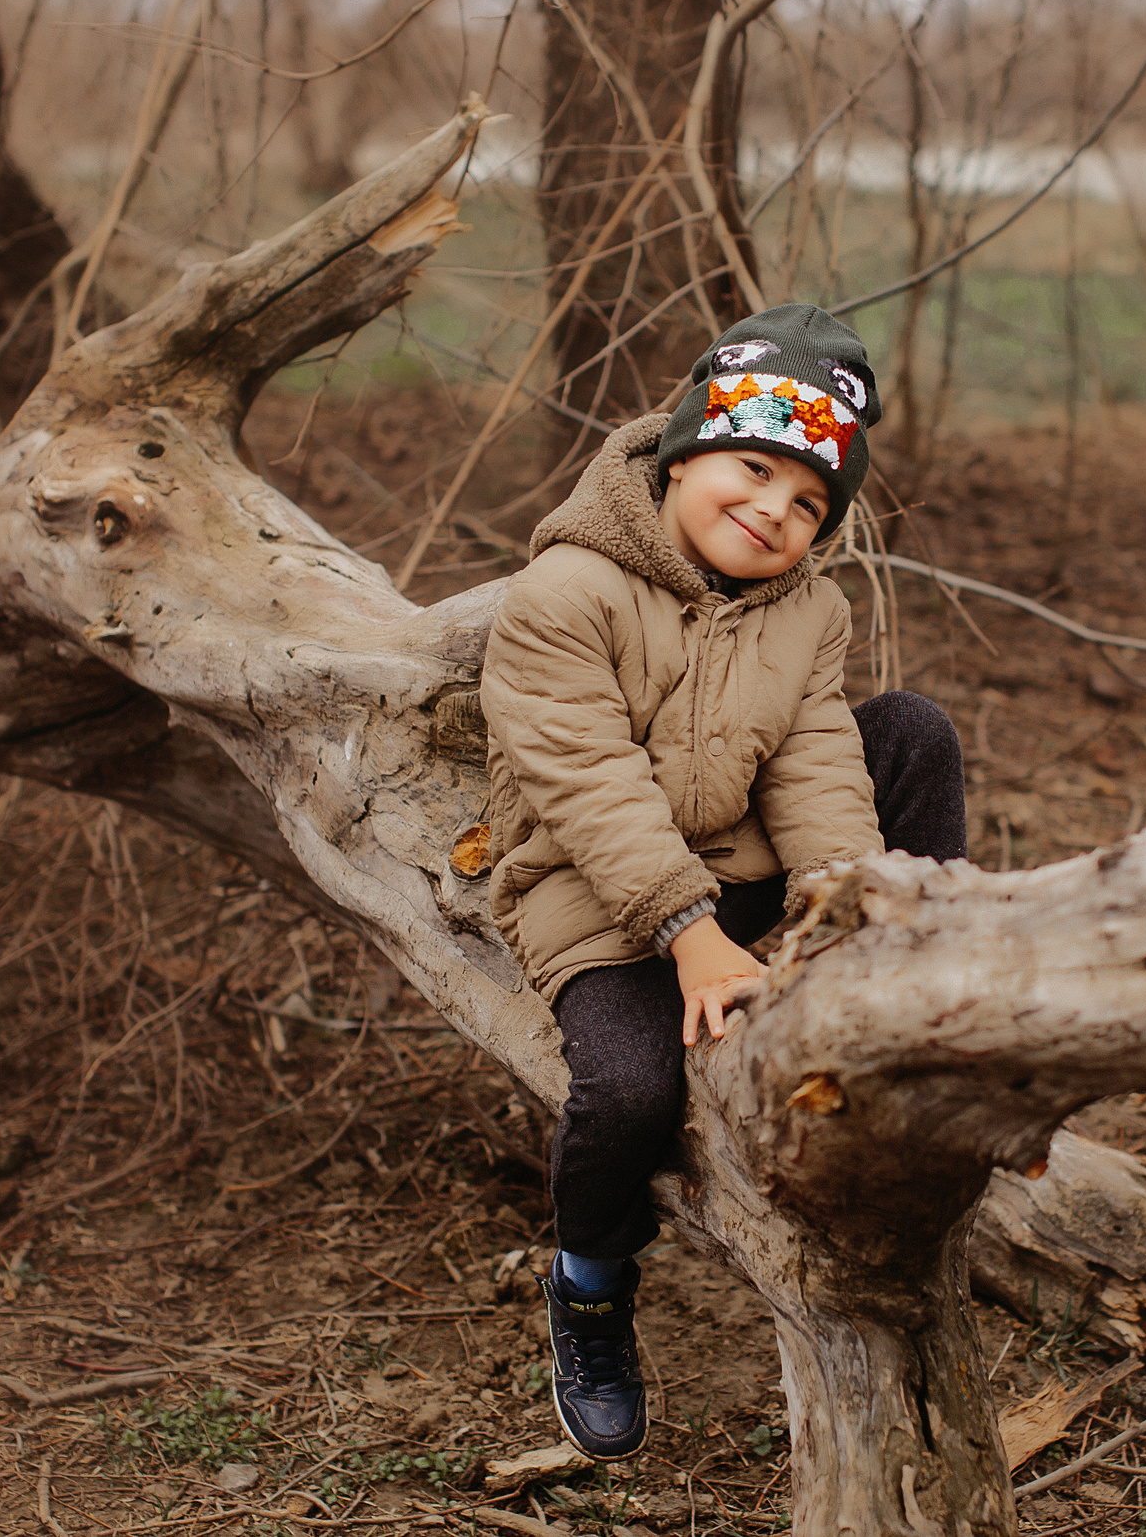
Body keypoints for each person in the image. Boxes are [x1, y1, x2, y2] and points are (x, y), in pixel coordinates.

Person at [480, 302, 970, 1460]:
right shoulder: (567, 593)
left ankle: (916, 964)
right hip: (594, 893)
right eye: (754, 468)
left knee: (907, 729)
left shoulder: (809, 609)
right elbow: (589, 785)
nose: (774, 511)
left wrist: (839, 897)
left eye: (810, 503)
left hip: (741, 875)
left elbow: (812, 762)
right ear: (681, 451)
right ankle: (589, 1287)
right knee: (634, 1094)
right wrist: (687, 933)